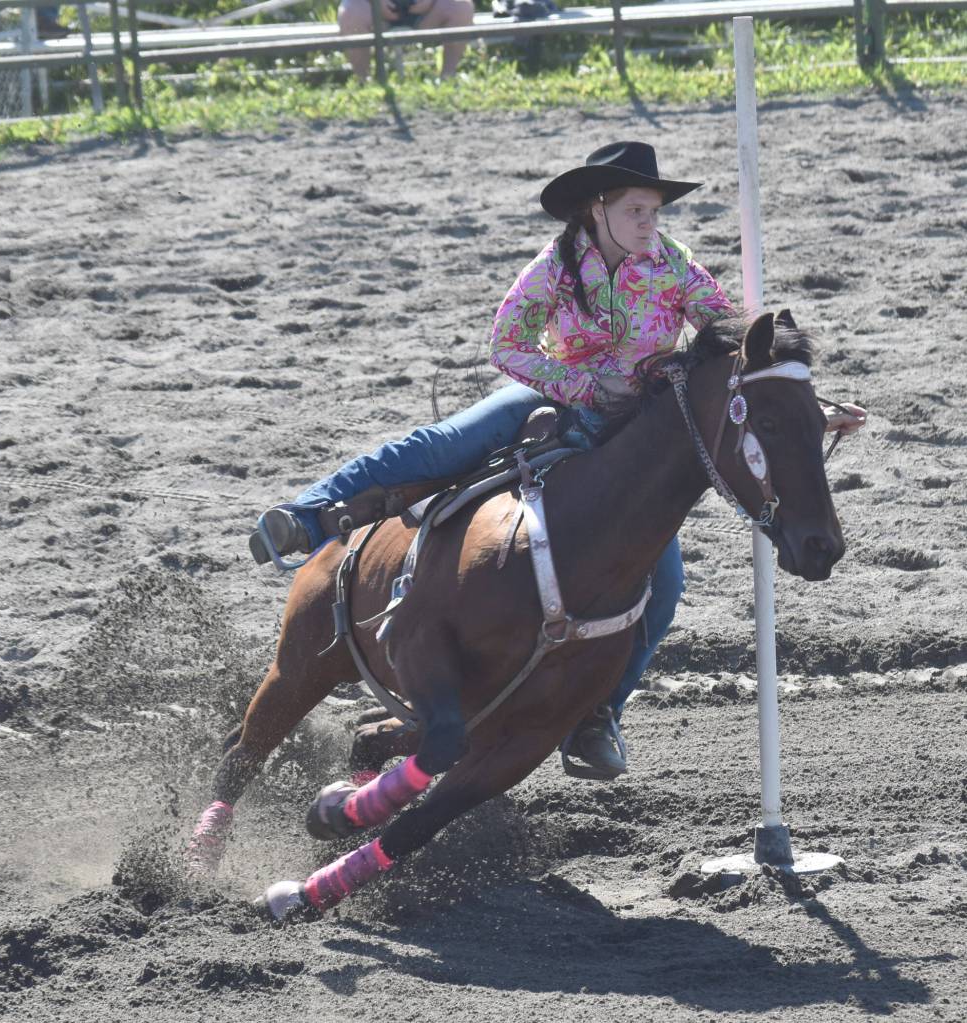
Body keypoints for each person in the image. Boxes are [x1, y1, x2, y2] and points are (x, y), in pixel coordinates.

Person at [250, 141, 866, 779]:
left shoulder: (672, 264)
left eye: (653, 208)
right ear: (596, 209)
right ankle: (310, 515)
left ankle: (598, 715)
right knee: (440, 446)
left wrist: (811, 409)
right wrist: (587, 385)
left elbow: (743, 353)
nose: (649, 221)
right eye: (636, 208)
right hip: (554, 398)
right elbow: (506, 343)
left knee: (666, 588)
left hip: (638, 435)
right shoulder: (554, 268)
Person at [337, 0, 475, 80]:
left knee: (461, 6)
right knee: (350, 12)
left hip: (426, 12)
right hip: (375, 12)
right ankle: (363, 83)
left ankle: (447, 78)